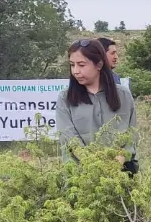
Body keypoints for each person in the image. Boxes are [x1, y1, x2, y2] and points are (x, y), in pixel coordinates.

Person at [57, 38, 138, 170]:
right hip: (81, 175)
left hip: (122, 173)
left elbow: (131, 136)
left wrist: (115, 165)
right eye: (72, 65)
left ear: (99, 65)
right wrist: (95, 168)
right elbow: (70, 139)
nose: (76, 71)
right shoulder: (65, 98)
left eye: (81, 65)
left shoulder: (123, 95)